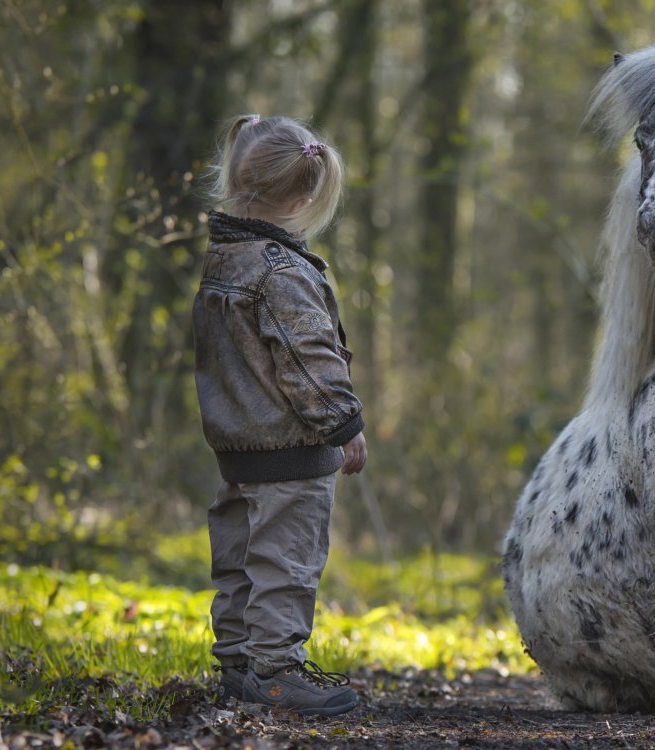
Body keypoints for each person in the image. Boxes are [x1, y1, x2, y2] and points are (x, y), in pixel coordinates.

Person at [192, 114, 367, 717]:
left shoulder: (223, 262)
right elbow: (308, 358)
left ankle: (237, 664)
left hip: (236, 449)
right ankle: (274, 672)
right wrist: (344, 428)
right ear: (302, 197)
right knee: (285, 564)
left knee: (239, 560)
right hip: (290, 451)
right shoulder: (281, 272)